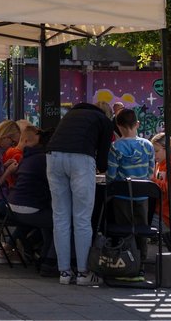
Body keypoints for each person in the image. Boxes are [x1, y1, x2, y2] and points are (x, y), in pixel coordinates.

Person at [46, 102, 114, 287]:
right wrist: (101, 169)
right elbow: (102, 160)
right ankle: (84, 272)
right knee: (82, 218)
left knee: (60, 217)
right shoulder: (104, 121)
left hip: (53, 157)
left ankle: (64, 272)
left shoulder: (69, 116)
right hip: (81, 159)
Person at [6, 125, 57, 276]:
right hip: (28, 208)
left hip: (12, 206)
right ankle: (49, 261)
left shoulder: (27, 157)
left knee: (48, 217)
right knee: (61, 221)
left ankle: (32, 249)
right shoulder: (44, 160)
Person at [106, 109, 155, 263]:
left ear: (118, 127)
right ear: (137, 124)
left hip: (122, 196)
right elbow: (150, 173)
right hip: (142, 195)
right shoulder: (148, 146)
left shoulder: (115, 147)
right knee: (141, 228)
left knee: (124, 228)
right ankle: (141, 260)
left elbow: (111, 176)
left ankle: (126, 260)